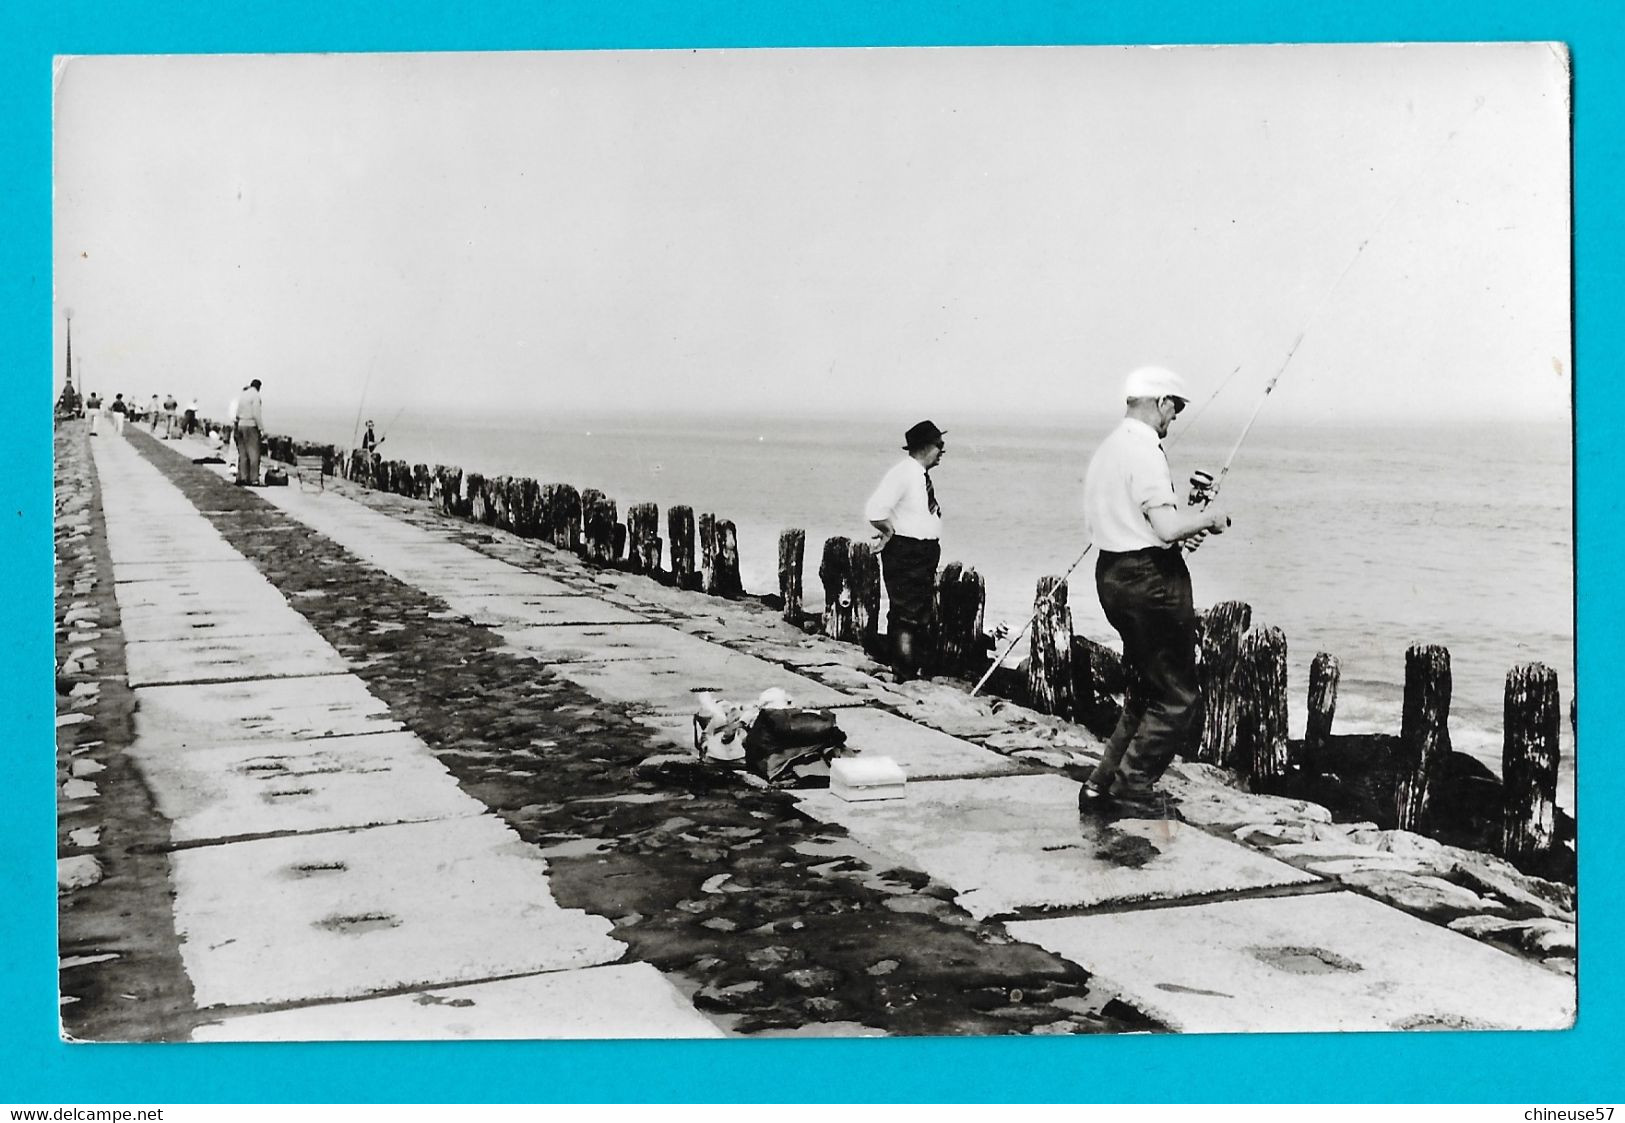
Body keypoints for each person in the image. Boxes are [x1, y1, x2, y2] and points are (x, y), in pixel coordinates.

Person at [1078, 366, 1231, 819]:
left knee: (1146, 689)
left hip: (1113, 574)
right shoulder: (1145, 451)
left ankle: (1100, 784)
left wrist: (1183, 527)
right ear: (1162, 402)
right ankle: (1133, 787)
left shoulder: (1108, 449)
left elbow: (1146, 526)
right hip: (1150, 581)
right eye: (1175, 410)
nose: (1174, 420)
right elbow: (1164, 527)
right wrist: (1209, 518)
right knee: (1178, 695)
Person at [865, 419, 947, 683]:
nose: (942, 451)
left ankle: (911, 670)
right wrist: (889, 531)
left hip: (922, 551)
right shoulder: (903, 473)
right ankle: (904, 673)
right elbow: (875, 509)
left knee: (918, 612)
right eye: (939, 445)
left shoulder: (918, 475)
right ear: (925, 447)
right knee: (906, 615)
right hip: (907, 550)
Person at [235, 379, 264, 485]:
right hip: (251, 425)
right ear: (259, 387)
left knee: (242, 453)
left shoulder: (243, 395)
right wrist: (261, 428)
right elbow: (256, 413)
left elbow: (237, 413)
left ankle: (242, 477)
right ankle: (254, 479)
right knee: (254, 453)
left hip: (240, 424)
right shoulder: (256, 396)